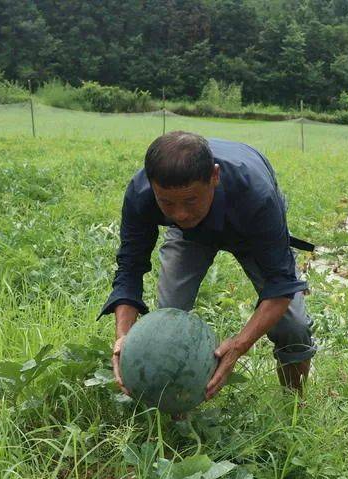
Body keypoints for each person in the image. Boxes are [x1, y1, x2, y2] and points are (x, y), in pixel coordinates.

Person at [103, 131, 315, 404]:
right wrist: (124, 339)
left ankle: (294, 405)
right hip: (187, 236)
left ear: (214, 176)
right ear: (153, 186)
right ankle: (173, 404)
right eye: (166, 203)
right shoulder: (141, 192)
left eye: (190, 200)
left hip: (248, 226)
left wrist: (238, 346)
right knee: (169, 318)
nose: (179, 214)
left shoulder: (256, 196)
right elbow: (129, 268)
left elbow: (281, 284)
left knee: (293, 326)